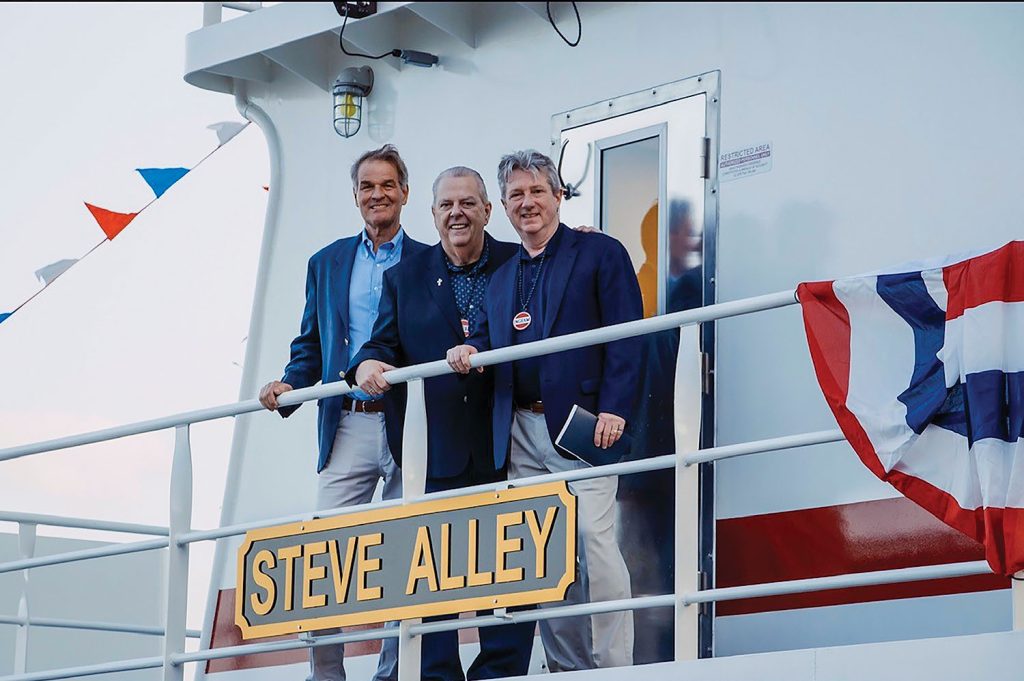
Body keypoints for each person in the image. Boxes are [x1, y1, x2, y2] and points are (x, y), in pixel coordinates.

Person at [447, 150, 643, 672]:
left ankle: (614, 663)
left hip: (585, 426)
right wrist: (468, 351)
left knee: (595, 541)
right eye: (516, 195)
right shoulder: (501, 276)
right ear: (504, 208)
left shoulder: (600, 252)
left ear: (558, 195)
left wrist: (615, 409)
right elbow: (489, 341)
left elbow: (628, 336)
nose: (527, 203)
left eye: (537, 191)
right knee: (546, 554)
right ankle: (566, 666)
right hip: (521, 431)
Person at [348, 166, 536, 681]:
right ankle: (437, 676)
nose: (457, 213)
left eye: (468, 203)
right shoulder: (404, 277)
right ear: (431, 215)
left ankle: (500, 673)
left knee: (511, 569)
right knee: (435, 573)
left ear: (487, 211)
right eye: (447, 205)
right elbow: (383, 343)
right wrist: (365, 363)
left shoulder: (518, 261)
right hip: (435, 447)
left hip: (506, 441)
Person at [257, 144, 427, 681]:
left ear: (405, 191)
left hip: (408, 420)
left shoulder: (427, 260)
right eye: (366, 187)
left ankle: (393, 673)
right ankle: (325, 674)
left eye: (386, 185)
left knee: (407, 555)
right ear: (355, 197)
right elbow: (312, 341)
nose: (377, 194)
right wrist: (290, 382)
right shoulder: (327, 262)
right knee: (322, 554)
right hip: (347, 421)